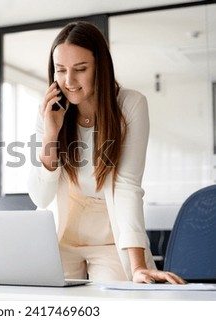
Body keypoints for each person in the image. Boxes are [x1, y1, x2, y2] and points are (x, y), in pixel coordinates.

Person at [27, 21, 185, 284]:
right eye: (60, 70)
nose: (68, 81)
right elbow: (40, 198)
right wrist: (50, 135)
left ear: (100, 67)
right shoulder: (49, 111)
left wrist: (136, 267)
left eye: (80, 69)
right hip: (61, 235)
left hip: (111, 236)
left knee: (117, 302)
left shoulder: (130, 105)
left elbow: (127, 187)